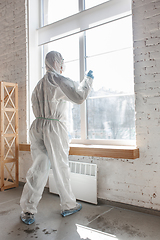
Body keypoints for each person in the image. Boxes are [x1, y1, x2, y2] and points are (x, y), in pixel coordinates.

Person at [20, 51, 94, 225]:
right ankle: (68, 204)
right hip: (54, 127)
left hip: (37, 126)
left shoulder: (38, 85)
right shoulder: (58, 80)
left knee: (38, 168)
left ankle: (27, 210)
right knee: (60, 166)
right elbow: (79, 96)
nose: (63, 65)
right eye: (62, 62)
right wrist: (88, 80)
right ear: (57, 63)